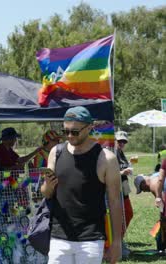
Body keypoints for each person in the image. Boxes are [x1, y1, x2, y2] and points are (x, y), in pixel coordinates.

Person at [41, 106, 122, 264]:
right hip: (59, 236)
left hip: (90, 239)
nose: (70, 136)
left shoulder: (106, 159)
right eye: (66, 131)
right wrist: (48, 186)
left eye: (75, 132)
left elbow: (115, 201)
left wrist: (117, 241)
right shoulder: (55, 152)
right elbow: (45, 193)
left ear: (90, 128)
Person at [114, 131, 134, 258]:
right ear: (114, 140)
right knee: (123, 215)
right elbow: (111, 172)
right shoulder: (112, 152)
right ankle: (118, 242)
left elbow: (123, 168)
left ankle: (120, 240)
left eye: (124, 142)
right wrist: (122, 173)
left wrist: (129, 164)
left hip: (124, 189)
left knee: (128, 213)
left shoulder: (120, 153)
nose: (121, 143)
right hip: (117, 189)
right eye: (119, 141)